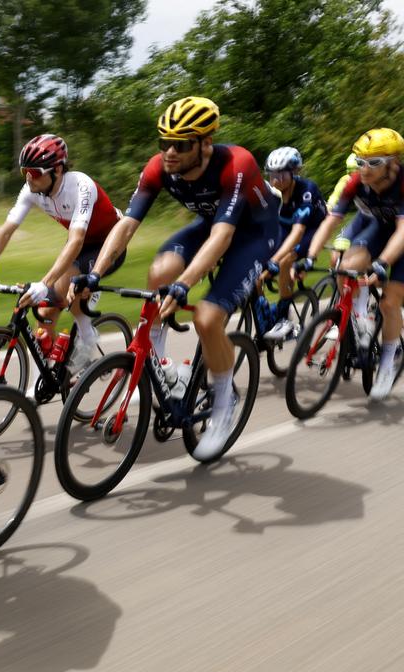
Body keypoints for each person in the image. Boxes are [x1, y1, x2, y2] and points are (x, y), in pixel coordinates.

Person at [69, 96, 279, 462]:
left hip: (254, 234)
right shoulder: (158, 168)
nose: (169, 152)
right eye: (163, 142)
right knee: (159, 272)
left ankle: (224, 401)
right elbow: (126, 226)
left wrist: (186, 284)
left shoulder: (236, 164)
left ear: (205, 144)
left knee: (207, 317)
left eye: (180, 145)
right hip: (210, 226)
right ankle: (158, 365)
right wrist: (95, 273)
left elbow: (223, 238)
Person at [0, 134, 125, 378]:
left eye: (34, 171)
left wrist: (45, 283)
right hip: (82, 245)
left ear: (58, 170)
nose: (29, 177)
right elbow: (6, 230)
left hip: (109, 244)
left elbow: (75, 241)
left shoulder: (80, 186)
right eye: (25, 171)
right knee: (45, 310)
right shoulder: (32, 190)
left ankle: (87, 339)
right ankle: (47, 376)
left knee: (68, 289)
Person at [296, 128, 404, 400]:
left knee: (390, 302)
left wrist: (382, 263)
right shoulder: (355, 182)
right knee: (346, 267)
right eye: (360, 161)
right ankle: (362, 319)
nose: (364, 169)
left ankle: (389, 360)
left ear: (393, 162)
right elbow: (330, 222)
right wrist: (309, 256)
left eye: (374, 162)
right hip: (380, 229)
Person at [263, 146, 327, 341]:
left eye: (282, 175)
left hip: (311, 231)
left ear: (294, 172)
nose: (276, 180)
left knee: (284, 261)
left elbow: (299, 232)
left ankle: (284, 319)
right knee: (258, 271)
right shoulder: (271, 192)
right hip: (286, 228)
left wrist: (275, 259)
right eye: (272, 174)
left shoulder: (307, 190)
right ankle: (264, 318)